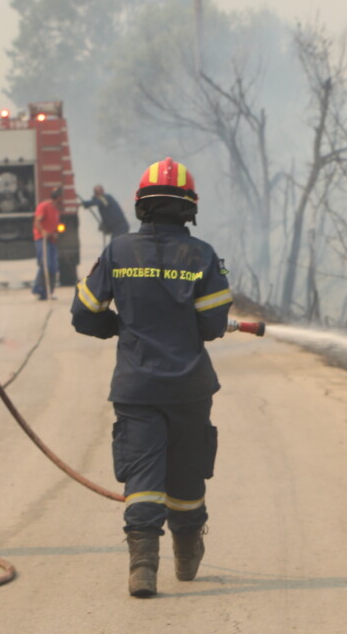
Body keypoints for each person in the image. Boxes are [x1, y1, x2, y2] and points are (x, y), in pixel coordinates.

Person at [71, 157, 232, 597]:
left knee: (142, 473)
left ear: (141, 205)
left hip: (137, 385)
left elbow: (84, 315)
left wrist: (119, 327)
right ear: (189, 208)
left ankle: (142, 566)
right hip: (189, 387)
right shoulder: (202, 255)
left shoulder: (117, 252)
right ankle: (185, 552)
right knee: (186, 475)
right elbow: (213, 325)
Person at [31, 186, 64, 299]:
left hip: (51, 240)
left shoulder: (56, 210)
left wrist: (55, 234)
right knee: (46, 263)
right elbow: (37, 222)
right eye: (60, 197)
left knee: (54, 267)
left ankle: (48, 292)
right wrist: (43, 231)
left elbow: (54, 227)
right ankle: (39, 289)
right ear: (58, 197)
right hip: (42, 239)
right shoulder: (44, 206)